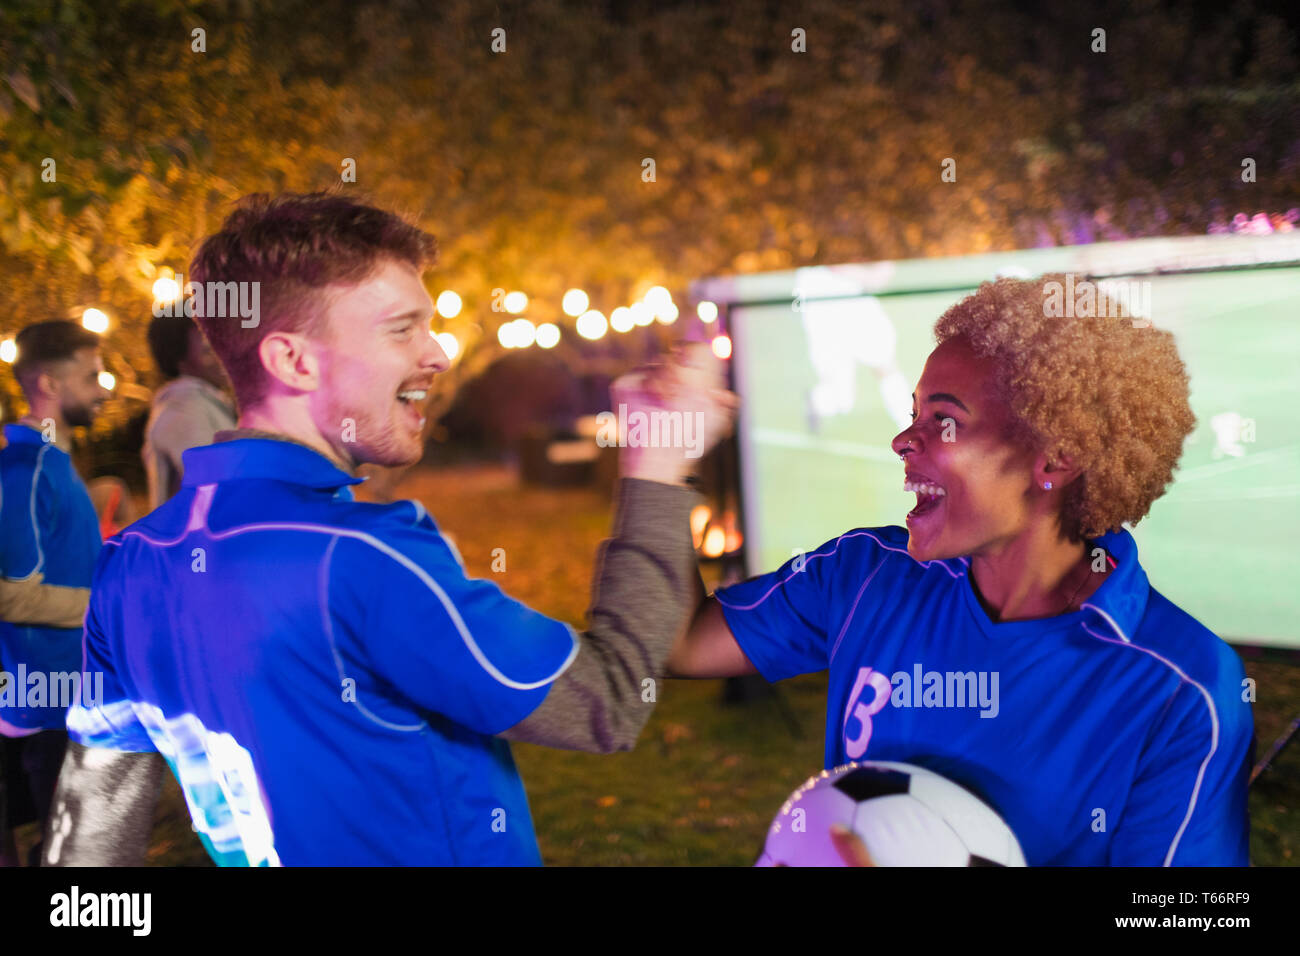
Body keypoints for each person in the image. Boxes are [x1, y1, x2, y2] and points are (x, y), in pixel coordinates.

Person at [43, 192, 735, 866]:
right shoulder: (359, 555)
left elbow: (92, 829)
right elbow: (607, 699)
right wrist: (655, 468)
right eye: (402, 328)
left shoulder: (129, 564)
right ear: (293, 361)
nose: (437, 354)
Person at [667, 276, 1253, 866]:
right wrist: (656, 470)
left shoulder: (1182, 686)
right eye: (913, 413)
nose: (903, 440)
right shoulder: (863, 575)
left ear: (1054, 458)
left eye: (943, 420)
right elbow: (679, 644)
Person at [0, 320, 110, 866]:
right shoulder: (27, 467)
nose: (104, 388)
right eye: (90, 376)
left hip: (75, 699)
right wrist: (104, 607)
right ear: (47, 384)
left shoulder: (52, 463)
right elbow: (12, 595)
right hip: (48, 707)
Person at [142, 312, 236, 509]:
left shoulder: (206, 402)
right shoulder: (185, 405)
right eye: (208, 350)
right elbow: (214, 485)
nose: (223, 356)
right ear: (179, 358)